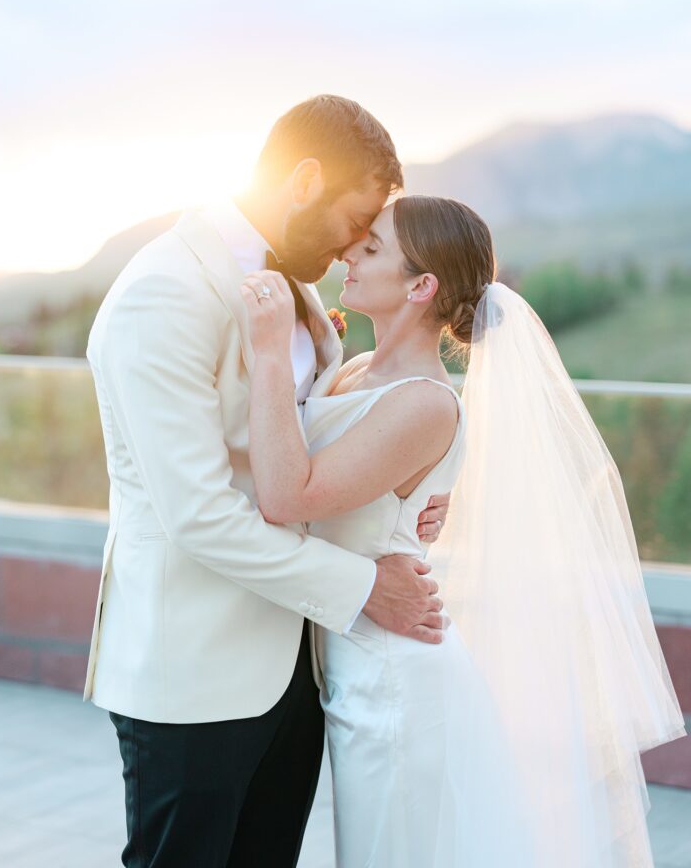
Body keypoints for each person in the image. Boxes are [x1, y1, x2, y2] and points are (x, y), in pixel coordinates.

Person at [241, 194, 686, 867]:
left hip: (393, 679)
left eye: (372, 248)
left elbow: (285, 494)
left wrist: (270, 353)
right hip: (350, 659)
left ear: (421, 286)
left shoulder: (423, 400)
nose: (350, 254)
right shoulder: (357, 370)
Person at [83, 96, 451, 868]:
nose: (358, 243)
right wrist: (364, 584)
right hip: (193, 673)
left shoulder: (304, 290)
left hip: (296, 667)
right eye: (355, 219)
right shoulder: (164, 293)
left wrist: (403, 500)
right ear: (304, 179)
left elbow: (315, 449)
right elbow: (202, 517)